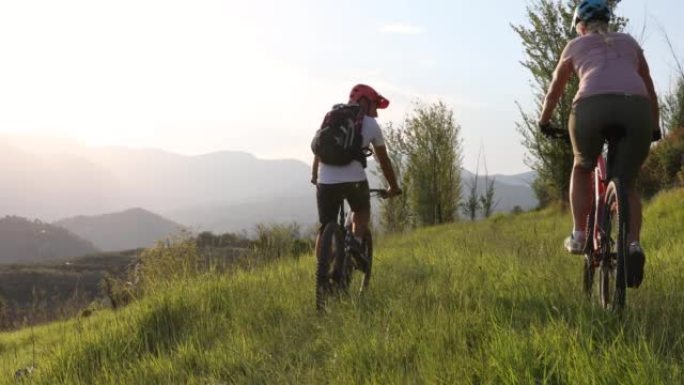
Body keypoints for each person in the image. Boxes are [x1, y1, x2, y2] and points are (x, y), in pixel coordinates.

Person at [538, 0, 660, 288]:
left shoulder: (574, 46)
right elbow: (650, 87)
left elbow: (555, 89)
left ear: (580, 26)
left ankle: (580, 234)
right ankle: (632, 245)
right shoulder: (629, 42)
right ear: (607, 22)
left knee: (582, 166)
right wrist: (654, 126)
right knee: (627, 184)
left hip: (591, 108)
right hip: (637, 109)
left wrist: (544, 122)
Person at [311, 84, 401, 255]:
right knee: (361, 210)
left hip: (326, 180)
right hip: (355, 181)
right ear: (365, 102)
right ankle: (356, 242)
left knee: (325, 228)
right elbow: (384, 161)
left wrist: (315, 175)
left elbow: (320, 149)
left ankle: (322, 274)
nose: (376, 110)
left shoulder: (331, 117)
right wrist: (393, 186)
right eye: (375, 104)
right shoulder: (371, 124)